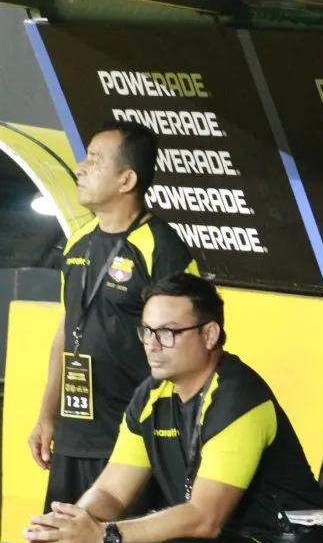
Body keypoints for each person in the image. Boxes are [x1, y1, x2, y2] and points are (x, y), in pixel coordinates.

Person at [24, 273, 323, 543]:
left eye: (167, 332)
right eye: (146, 331)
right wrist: (72, 527)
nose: (152, 345)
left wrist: (102, 535)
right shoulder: (151, 395)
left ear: (209, 334)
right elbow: (111, 492)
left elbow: (204, 518)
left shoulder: (239, 398)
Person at [28, 120, 198, 517]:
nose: (80, 168)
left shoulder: (162, 248)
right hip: (74, 435)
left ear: (127, 180)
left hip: (132, 442)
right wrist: (47, 414)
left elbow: (191, 345)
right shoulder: (77, 241)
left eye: (94, 160)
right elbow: (67, 328)